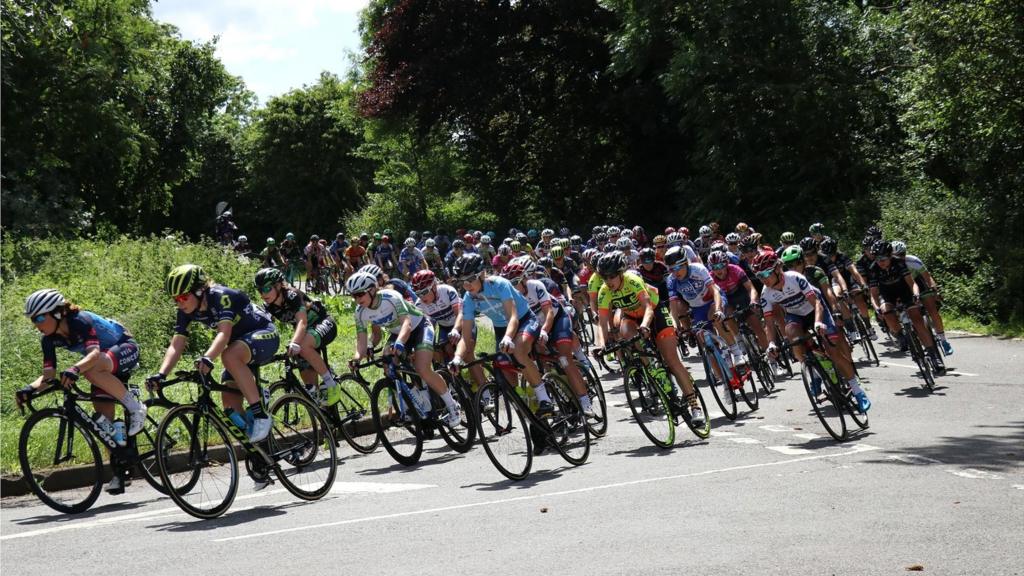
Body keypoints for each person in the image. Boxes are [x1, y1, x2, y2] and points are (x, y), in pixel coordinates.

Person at [16, 289, 147, 495]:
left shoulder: (80, 321)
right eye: (33, 319)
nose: (36, 324)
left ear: (57, 313)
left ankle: (135, 407)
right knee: (105, 424)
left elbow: (93, 354)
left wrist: (75, 369)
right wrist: (29, 389)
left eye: (40, 317)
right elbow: (49, 375)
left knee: (91, 370)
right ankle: (120, 470)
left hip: (123, 348)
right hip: (102, 364)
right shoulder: (48, 339)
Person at [147, 265, 280, 445]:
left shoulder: (220, 296)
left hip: (264, 334)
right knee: (230, 404)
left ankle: (260, 413)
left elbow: (223, 333)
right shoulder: (186, 310)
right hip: (241, 346)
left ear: (200, 290)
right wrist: (161, 374)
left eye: (183, 297)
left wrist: (208, 357)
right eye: (175, 299)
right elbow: (177, 344)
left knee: (229, 356)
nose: (180, 303)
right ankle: (261, 448)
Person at [753, 252, 871, 412]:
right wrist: (772, 343)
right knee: (791, 334)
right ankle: (813, 371)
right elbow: (769, 322)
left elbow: (816, 303)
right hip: (796, 315)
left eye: (766, 273)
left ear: (777, 269)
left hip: (816, 309)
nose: (763, 279)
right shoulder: (766, 294)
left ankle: (857, 391)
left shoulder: (794, 278)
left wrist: (818, 323)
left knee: (833, 351)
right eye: (759, 275)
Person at [594, 252, 704, 423]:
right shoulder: (604, 290)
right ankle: (651, 365)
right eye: (604, 277)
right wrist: (601, 345)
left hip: (655, 312)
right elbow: (602, 323)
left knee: (671, 360)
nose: (608, 281)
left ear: (621, 273)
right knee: (625, 331)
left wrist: (645, 325)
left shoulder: (632, 280)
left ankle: (694, 405)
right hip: (631, 317)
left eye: (612, 276)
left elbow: (648, 308)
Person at [346, 272, 462, 426]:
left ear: (372, 290)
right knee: (388, 366)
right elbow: (362, 340)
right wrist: (356, 358)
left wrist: (400, 343)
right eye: (354, 296)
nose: (357, 299)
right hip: (397, 333)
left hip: (419, 327)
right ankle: (411, 403)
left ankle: (452, 405)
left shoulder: (390, 297)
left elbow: (406, 323)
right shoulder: (360, 312)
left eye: (360, 294)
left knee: (422, 368)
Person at [254, 268, 341, 406]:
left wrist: (295, 342)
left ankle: (331, 382)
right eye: (259, 290)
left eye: (266, 288)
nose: (263, 294)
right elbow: (263, 327)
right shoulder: (269, 306)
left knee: (303, 346)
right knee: (311, 389)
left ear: (278, 286)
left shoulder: (292, 295)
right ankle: (323, 414)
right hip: (306, 333)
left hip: (323, 323)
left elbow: (302, 322)